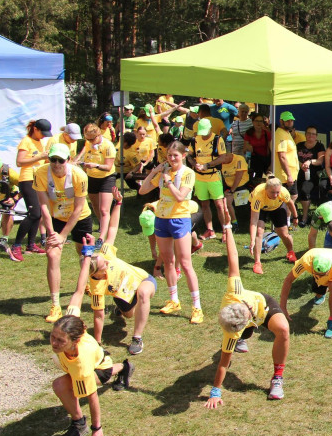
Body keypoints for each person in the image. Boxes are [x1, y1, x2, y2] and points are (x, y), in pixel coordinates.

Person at [205, 225, 291, 405]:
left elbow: (233, 257)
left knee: (283, 329)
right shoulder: (231, 332)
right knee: (226, 352)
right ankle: (243, 338)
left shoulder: (234, 290)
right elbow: (222, 364)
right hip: (244, 327)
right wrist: (215, 392)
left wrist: (228, 227)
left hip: (265, 306)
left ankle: (277, 378)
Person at [65, 195, 152, 353]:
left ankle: (137, 339)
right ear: (96, 272)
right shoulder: (96, 288)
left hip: (144, 280)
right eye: (102, 264)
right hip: (123, 294)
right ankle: (121, 310)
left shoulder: (106, 254)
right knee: (129, 315)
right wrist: (98, 343)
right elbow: (98, 316)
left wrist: (118, 203)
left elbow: (112, 229)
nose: (106, 262)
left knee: (143, 294)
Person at [139, 141, 203, 324]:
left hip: (180, 219)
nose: (172, 159)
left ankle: (196, 306)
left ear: (183, 156)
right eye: (169, 155)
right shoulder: (162, 173)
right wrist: (154, 171)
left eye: (175, 155)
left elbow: (180, 196)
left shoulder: (188, 173)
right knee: (168, 261)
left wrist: (167, 179)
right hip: (162, 219)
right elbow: (143, 190)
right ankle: (174, 300)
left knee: (185, 263)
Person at [49, 315, 133, 436]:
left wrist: (97, 428)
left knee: (60, 385)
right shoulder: (72, 327)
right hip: (96, 360)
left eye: (60, 340)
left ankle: (79, 425)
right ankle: (124, 367)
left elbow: (92, 396)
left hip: (99, 369)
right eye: (52, 336)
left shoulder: (81, 364)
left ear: (75, 341)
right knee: (74, 380)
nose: (54, 343)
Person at [34, 143, 93, 322]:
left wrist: (64, 235)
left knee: (84, 255)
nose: (57, 163)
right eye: (53, 159)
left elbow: (79, 207)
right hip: (56, 218)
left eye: (61, 160)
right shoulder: (41, 173)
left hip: (80, 217)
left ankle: (89, 284)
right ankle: (55, 305)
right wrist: (52, 233)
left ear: (68, 160)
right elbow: (43, 204)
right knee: (52, 255)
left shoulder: (79, 175)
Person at [279, 248, 332, 340]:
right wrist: (282, 307)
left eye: (322, 275)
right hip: (322, 270)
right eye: (317, 274)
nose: (320, 277)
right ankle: (321, 293)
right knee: (319, 291)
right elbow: (288, 280)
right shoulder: (306, 261)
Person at [13, 119, 53, 260]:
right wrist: (39, 156)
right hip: (27, 180)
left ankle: (30, 245)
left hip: (37, 181)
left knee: (39, 213)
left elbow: (39, 161)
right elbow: (19, 162)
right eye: (42, 133)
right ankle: (16, 246)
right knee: (34, 213)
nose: (44, 136)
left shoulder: (39, 143)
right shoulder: (26, 141)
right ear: (35, 129)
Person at [189, 118, 232, 241]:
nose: (202, 135)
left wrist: (207, 165)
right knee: (204, 203)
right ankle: (210, 230)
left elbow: (223, 157)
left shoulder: (217, 140)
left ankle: (225, 231)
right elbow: (189, 155)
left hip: (214, 176)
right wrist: (194, 163)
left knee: (219, 204)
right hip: (199, 178)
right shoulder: (195, 140)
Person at [248, 177, 299, 274]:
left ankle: (290, 252)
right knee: (259, 231)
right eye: (272, 192)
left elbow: (290, 203)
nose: (275, 195)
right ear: (266, 189)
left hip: (277, 207)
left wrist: (295, 217)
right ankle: (257, 263)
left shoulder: (283, 192)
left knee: (284, 233)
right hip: (261, 208)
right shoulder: (258, 195)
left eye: (277, 192)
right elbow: (253, 221)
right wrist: (252, 240)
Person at [80, 123, 117, 244]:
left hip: (107, 178)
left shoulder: (108, 146)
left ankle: (101, 237)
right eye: (87, 139)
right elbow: (85, 157)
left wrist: (95, 165)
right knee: (95, 205)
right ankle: (103, 226)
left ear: (99, 134)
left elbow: (108, 167)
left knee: (104, 209)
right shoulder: (88, 144)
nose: (90, 141)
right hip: (92, 177)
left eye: (92, 139)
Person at [295, 126, 326, 227]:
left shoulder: (320, 146)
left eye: (313, 134)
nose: (311, 136)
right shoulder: (299, 145)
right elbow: (294, 158)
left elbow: (320, 161)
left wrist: (310, 161)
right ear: (305, 134)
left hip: (313, 174)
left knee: (305, 190)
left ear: (316, 136)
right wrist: (301, 165)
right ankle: (292, 215)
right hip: (298, 172)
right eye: (309, 133)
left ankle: (304, 217)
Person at [221, 149, 250, 229]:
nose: (222, 162)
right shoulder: (221, 161)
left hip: (241, 185)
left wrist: (232, 191)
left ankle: (244, 221)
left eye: (223, 159)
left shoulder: (239, 159)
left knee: (241, 205)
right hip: (229, 186)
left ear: (228, 155)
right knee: (227, 203)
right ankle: (234, 222)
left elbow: (239, 177)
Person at [274, 111, 302, 194]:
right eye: (287, 121)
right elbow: (282, 156)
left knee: (293, 196)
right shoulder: (280, 134)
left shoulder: (286, 133)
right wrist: (289, 175)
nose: (290, 123)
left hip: (291, 174)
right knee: (288, 198)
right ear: (281, 121)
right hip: (284, 176)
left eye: (291, 121)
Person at [0, 163, 21, 259]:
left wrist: (15, 199)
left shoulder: (9, 173)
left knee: (8, 211)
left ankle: (4, 239)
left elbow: (27, 187)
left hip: (7, 195)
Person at [244, 113, 272, 182]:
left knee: (270, 179)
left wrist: (271, 164)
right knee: (255, 180)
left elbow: (271, 149)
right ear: (253, 122)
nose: (258, 123)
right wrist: (248, 147)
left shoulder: (266, 133)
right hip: (254, 160)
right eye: (256, 121)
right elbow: (244, 149)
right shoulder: (248, 133)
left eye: (260, 121)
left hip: (266, 160)